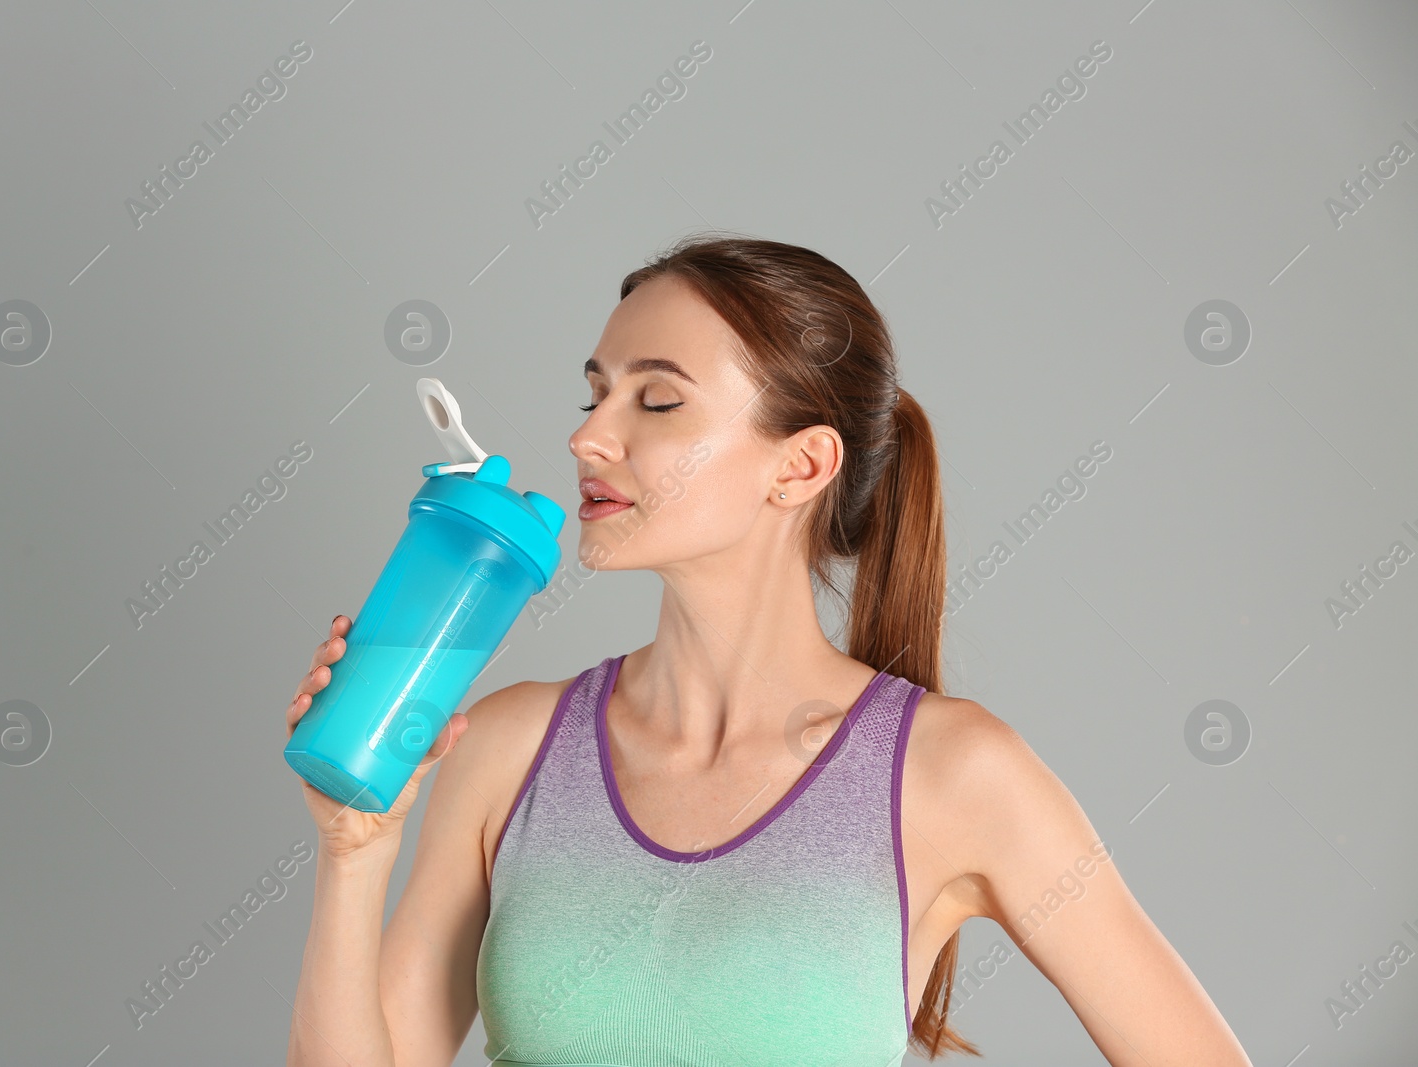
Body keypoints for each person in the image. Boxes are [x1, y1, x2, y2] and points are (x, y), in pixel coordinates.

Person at [282, 234, 1253, 1066]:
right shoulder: (505, 744)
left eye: (655, 403)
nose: (586, 437)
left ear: (800, 464)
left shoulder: (954, 773)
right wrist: (352, 847)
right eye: (594, 395)